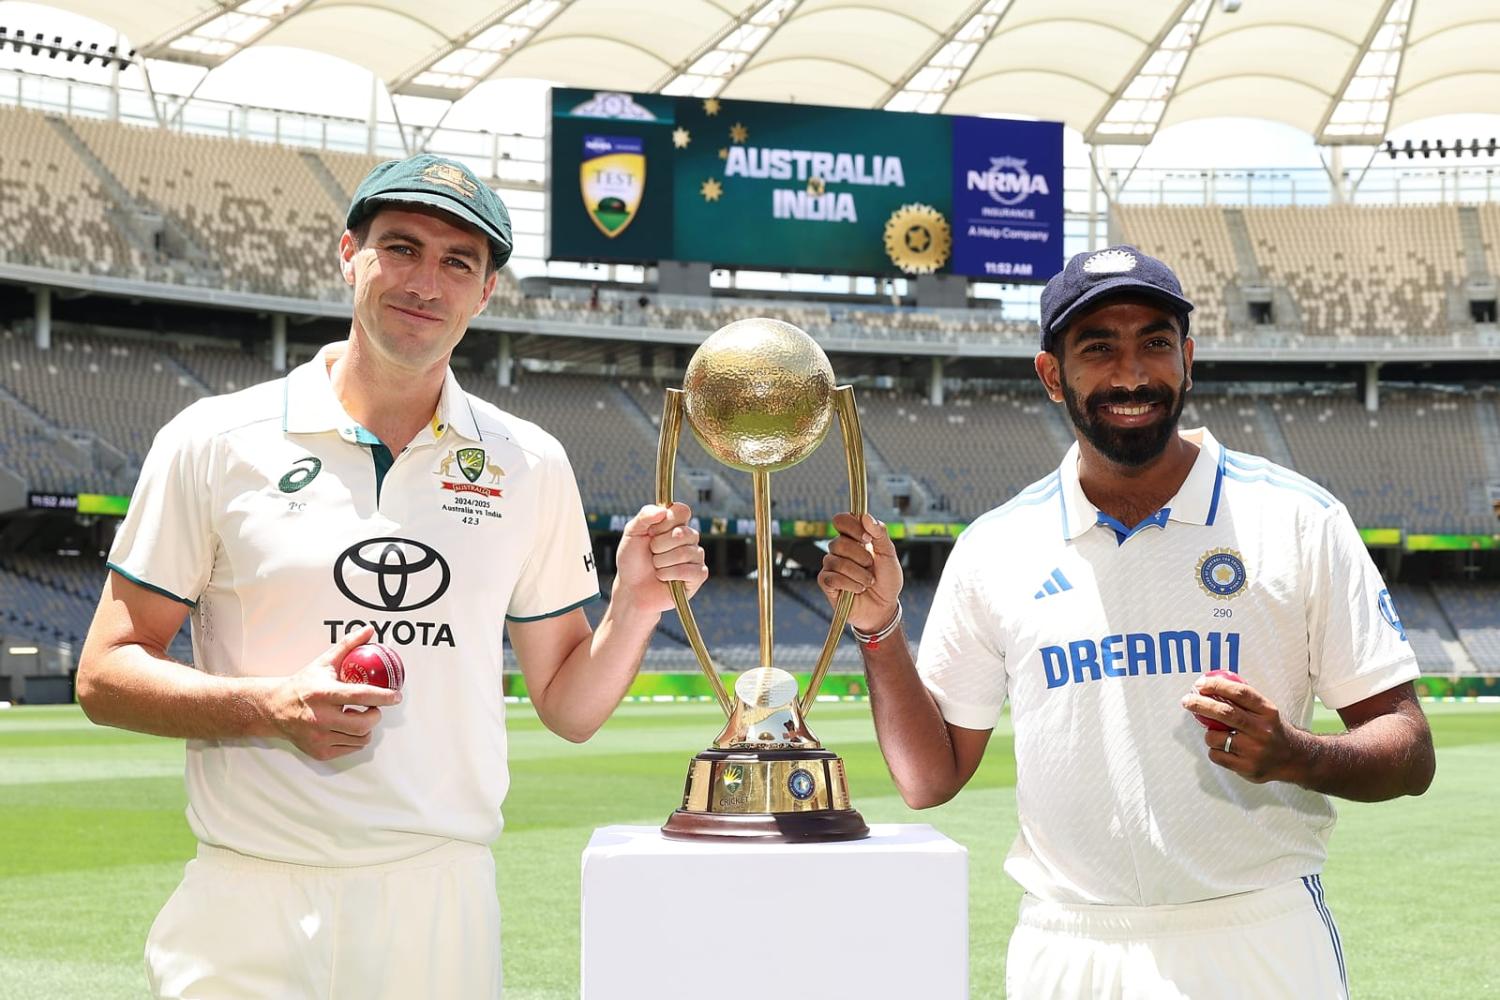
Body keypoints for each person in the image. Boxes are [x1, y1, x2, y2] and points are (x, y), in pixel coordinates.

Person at [77, 153, 708, 999]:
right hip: (248, 893)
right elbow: (104, 673)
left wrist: (633, 605)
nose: (426, 281)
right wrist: (270, 708)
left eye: (459, 262)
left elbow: (569, 705)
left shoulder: (531, 462)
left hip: (437, 897)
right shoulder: (216, 439)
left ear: (484, 293)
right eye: (401, 247)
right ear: (349, 254)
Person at [818, 245, 1435, 999]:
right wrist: (879, 629)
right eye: (1098, 347)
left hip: (1258, 935)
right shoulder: (996, 546)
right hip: (1069, 945)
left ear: (1189, 359)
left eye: (1154, 342)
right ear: (1053, 376)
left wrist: (1295, 753)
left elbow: (1409, 750)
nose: (1133, 374)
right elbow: (929, 778)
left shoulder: (1299, 519)